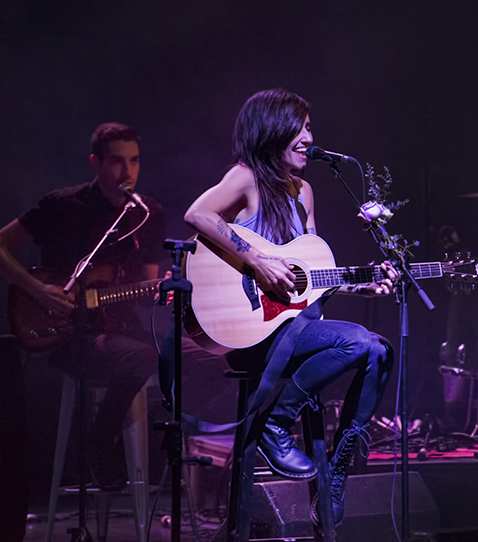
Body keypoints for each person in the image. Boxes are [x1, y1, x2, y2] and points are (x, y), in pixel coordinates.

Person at [183, 88, 396, 525]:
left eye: (309, 128)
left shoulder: (304, 193)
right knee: (358, 341)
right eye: (300, 128)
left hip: (296, 327)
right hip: (254, 334)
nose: (309, 138)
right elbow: (199, 215)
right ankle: (275, 423)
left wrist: (360, 286)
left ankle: (337, 469)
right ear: (272, 130)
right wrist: (259, 262)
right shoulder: (245, 178)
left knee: (379, 350)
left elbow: (310, 277)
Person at [0, 122, 166, 489]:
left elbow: (147, 290)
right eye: (117, 161)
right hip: (69, 334)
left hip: (121, 330)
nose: (128, 172)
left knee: (192, 354)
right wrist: (39, 290)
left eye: (135, 161)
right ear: (96, 163)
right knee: (142, 357)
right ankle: (99, 443)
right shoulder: (62, 205)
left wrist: (161, 290)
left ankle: (196, 460)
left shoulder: (148, 214)